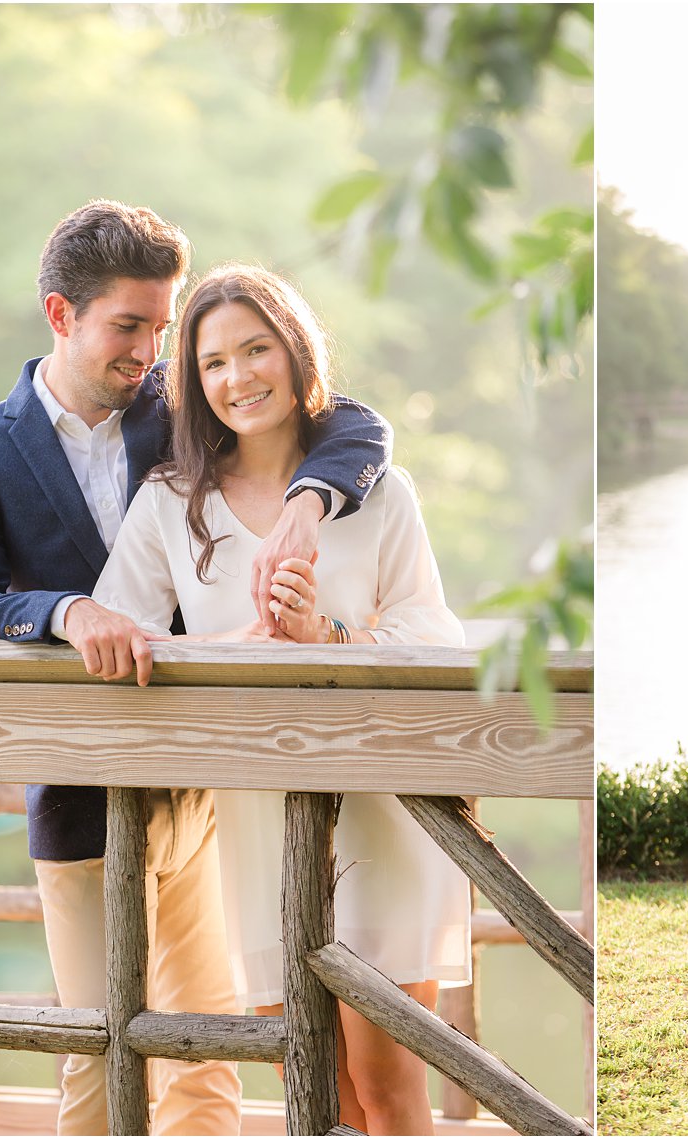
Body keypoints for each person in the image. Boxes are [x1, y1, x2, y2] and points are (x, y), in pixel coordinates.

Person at [0, 200, 394, 1135]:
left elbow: (359, 427)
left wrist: (305, 502)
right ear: (62, 316)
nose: (151, 348)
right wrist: (65, 609)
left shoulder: (188, 416)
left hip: (207, 789)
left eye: (163, 324)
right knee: (98, 1059)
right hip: (82, 798)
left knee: (207, 1055)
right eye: (129, 326)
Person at [89, 263, 471, 1135]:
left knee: (387, 1085)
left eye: (256, 349)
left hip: (384, 811)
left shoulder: (379, 494)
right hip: (257, 818)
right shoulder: (170, 502)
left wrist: (326, 638)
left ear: (297, 358)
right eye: (214, 361)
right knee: (312, 1084)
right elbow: (124, 630)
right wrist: (237, 652)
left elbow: (433, 639)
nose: (238, 377)